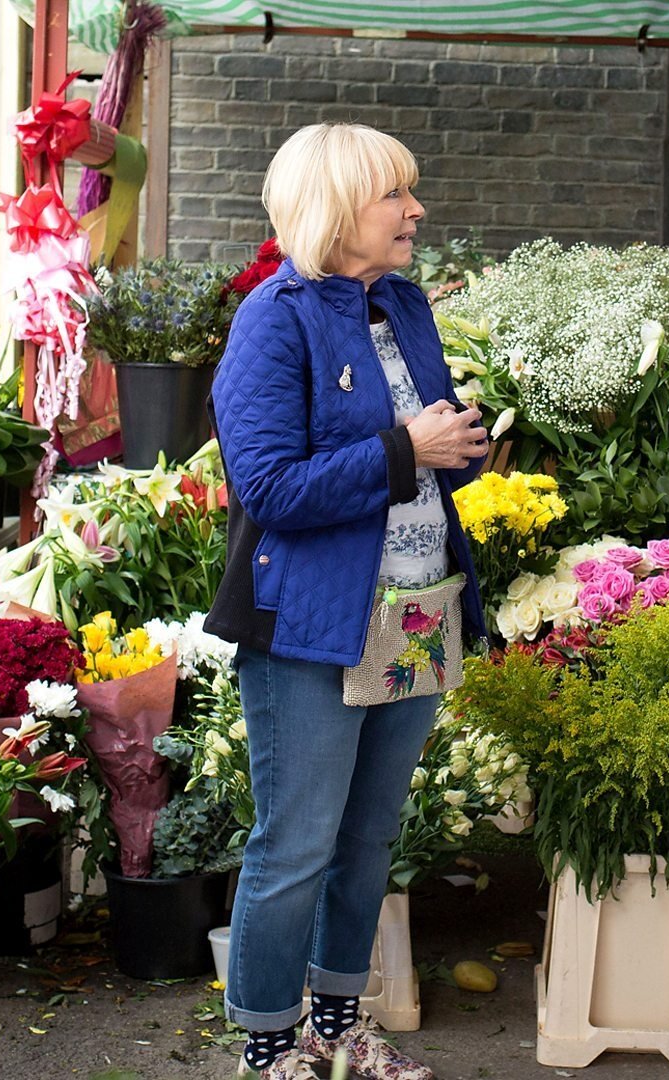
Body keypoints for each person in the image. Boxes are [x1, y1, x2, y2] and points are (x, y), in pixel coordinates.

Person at [206, 123, 490, 1080]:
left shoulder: (403, 305)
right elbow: (271, 490)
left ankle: (338, 1032)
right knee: (296, 845)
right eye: (394, 196)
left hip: (415, 608)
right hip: (314, 627)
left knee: (370, 839)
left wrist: (463, 441)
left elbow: (422, 441)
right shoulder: (272, 319)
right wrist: (411, 449)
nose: (415, 211)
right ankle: (268, 1050)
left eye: (411, 192)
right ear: (337, 209)